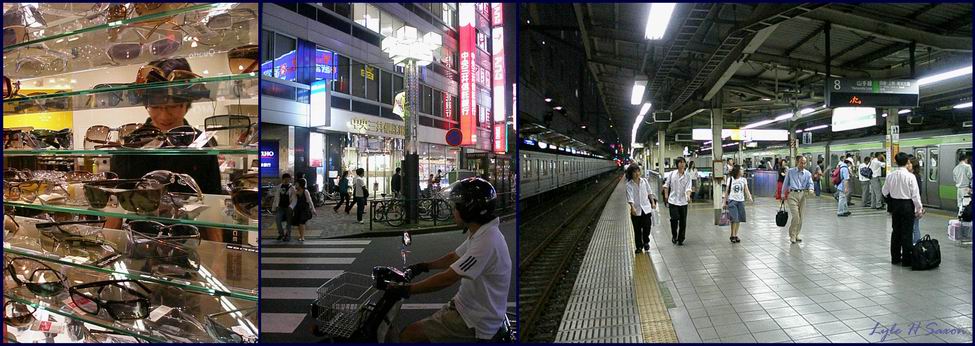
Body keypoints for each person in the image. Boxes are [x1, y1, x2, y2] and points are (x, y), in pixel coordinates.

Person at [106, 58, 222, 240]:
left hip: (188, 239)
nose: (164, 115)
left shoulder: (202, 143)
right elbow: (116, 203)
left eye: (173, 106)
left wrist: (217, 255)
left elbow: (212, 203)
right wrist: (110, 245)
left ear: (187, 103)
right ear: (146, 104)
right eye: (155, 107)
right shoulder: (130, 143)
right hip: (137, 239)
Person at [393, 177, 511, 343]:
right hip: (465, 307)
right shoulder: (481, 232)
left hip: (476, 321)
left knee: (408, 336)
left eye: (457, 206)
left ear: (469, 210)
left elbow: (448, 278)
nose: (453, 210)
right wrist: (423, 266)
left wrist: (407, 290)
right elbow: (454, 257)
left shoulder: (487, 241)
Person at [882, 152, 923, 267]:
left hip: (895, 206)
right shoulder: (911, 176)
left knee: (896, 232)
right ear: (907, 162)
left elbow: (884, 192)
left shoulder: (890, 175)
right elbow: (915, 196)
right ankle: (906, 260)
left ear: (895, 162)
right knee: (907, 233)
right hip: (907, 206)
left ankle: (895, 258)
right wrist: (919, 209)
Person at [626, 164, 657, 253]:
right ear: (631, 173)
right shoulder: (629, 185)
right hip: (636, 210)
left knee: (647, 227)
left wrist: (653, 202)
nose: (637, 173)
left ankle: (646, 241)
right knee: (637, 229)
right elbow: (630, 197)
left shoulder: (644, 181)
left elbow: (649, 192)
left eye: (638, 171)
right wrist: (632, 207)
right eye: (634, 172)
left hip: (646, 208)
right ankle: (639, 246)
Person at [784, 156, 815, 243]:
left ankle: (797, 234)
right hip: (792, 194)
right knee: (796, 216)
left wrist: (811, 189)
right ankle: (792, 235)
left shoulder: (808, 174)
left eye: (805, 163)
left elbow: (810, 183)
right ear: (797, 162)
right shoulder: (790, 171)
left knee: (801, 217)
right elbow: (785, 183)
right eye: (801, 162)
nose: (803, 164)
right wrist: (782, 194)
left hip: (802, 195)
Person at [662, 157, 692, 246]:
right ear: (677, 164)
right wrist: (666, 196)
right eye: (680, 162)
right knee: (674, 219)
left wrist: (688, 196)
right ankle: (674, 235)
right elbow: (666, 185)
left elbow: (688, 188)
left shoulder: (687, 176)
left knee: (683, 221)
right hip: (673, 201)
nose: (682, 164)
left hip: (683, 202)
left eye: (683, 162)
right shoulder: (672, 174)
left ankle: (681, 238)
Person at [723, 164, 753, 243]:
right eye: (742, 169)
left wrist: (749, 197)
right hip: (732, 201)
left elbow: (746, 189)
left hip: (741, 201)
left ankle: (735, 235)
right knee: (734, 218)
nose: (743, 171)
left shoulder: (743, 180)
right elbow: (726, 191)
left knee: (738, 219)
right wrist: (724, 202)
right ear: (738, 171)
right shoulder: (730, 179)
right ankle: (732, 235)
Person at [271, 173, 294, 241]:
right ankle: (281, 234)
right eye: (285, 179)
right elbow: (275, 197)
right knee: (278, 220)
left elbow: (294, 199)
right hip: (280, 207)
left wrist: (291, 207)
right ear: (283, 179)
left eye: (288, 179)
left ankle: (288, 235)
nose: (286, 181)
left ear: (290, 179)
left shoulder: (292, 188)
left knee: (289, 222)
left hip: (288, 208)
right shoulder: (279, 187)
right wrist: (274, 207)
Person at [908, 156, 922, 245]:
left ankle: (916, 245)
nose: (907, 165)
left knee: (914, 227)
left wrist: (918, 208)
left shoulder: (914, 176)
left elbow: (917, 193)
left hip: (912, 205)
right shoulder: (917, 176)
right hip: (913, 205)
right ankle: (916, 246)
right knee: (915, 226)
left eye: (908, 163)